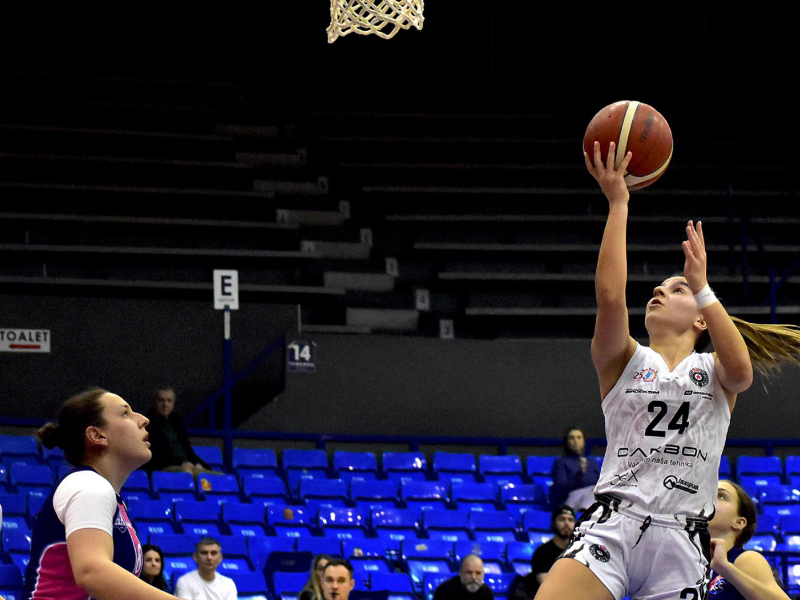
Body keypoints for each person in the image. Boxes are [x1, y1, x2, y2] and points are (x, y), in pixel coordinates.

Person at [535, 141, 800, 600]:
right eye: (658, 288)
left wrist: (701, 286)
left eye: (675, 289)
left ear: (702, 318)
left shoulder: (713, 368)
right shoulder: (624, 359)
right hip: (614, 525)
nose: (658, 291)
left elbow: (743, 373)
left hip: (682, 538)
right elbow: (610, 297)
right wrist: (618, 203)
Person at [23, 387, 179, 600]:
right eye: (126, 413)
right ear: (97, 435)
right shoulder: (88, 485)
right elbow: (92, 573)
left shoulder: (104, 493)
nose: (143, 419)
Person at [708, 480, 790, 600]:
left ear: (739, 522)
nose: (708, 498)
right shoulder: (693, 564)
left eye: (721, 496)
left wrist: (725, 568)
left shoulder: (746, 559)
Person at [508, 505, 576, 600]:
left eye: (570, 520)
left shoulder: (578, 552)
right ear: (553, 524)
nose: (566, 523)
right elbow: (547, 586)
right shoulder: (543, 552)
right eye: (562, 519)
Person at [144, 387, 213, 476]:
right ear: (154, 402)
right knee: (187, 472)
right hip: (162, 467)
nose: (165, 404)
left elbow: (188, 451)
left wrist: (199, 465)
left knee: (219, 476)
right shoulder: (147, 424)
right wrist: (181, 464)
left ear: (173, 404)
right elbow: (155, 455)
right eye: (161, 400)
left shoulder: (177, 422)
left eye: (169, 401)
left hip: (187, 465)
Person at [549, 428, 601, 509]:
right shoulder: (560, 462)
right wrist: (579, 474)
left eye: (579, 437)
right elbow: (561, 488)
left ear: (584, 441)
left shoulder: (592, 463)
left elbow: (600, 484)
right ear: (567, 442)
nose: (576, 441)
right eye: (572, 438)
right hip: (568, 501)